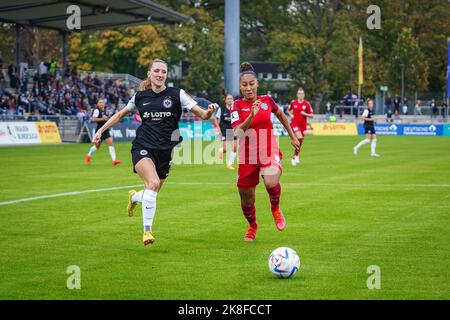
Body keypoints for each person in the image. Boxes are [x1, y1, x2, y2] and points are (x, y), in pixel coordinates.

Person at [92, 59, 218, 246]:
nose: (160, 74)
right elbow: (119, 115)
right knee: (153, 183)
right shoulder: (140, 97)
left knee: (152, 191)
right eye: (156, 71)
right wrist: (100, 131)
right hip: (143, 146)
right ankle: (147, 231)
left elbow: (202, 114)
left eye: (164, 72)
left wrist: (209, 112)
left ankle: (134, 197)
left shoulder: (178, 94)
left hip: (166, 151)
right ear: (149, 74)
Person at [231, 62, 300, 241]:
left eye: (252, 84)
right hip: (247, 156)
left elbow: (282, 116)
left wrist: (292, 136)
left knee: (270, 182)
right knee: (246, 201)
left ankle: (275, 208)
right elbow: (237, 133)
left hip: (268, 149)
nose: (248, 88)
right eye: (244, 85)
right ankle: (252, 226)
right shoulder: (236, 106)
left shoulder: (267, 101)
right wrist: (251, 116)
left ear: (257, 84)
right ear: (240, 86)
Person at [85, 98, 121, 166]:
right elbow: (93, 119)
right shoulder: (97, 110)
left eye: (103, 102)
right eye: (100, 102)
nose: (102, 104)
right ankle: (88, 156)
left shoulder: (104, 111)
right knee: (97, 146)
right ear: (97, 104)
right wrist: (103, 118)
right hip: (100, 131)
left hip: (105, 130)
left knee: (110, 144)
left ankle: (114, 160)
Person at [287, 88, 313, 166]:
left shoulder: (307, 104)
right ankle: (294, 157)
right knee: (300, 138)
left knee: (300, 141)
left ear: (304, 95)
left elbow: (311, 115)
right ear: (297, 95)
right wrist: (291, 115)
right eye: (299, 93)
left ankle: (296, 155)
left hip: (303, 126)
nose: (300, 95)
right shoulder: (293, 103)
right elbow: (288, 110)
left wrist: (305, 114)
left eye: (302, 93)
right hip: (294, 124)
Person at [213, 92, 237, 170]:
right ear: (225, 100)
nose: (230, 100)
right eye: (228, 99)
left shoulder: (235, 109)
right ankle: (221, 150)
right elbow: (215, 119)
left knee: (234, 147)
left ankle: (229, 164)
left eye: (231, 99)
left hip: (233, 130)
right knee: (225, 149)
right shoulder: (221, 109)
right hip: (224, 130)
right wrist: (218, 128)